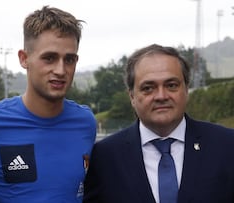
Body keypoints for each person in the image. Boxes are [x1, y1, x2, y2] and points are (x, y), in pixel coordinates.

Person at [0, 5, 96, 203]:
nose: (60, 69)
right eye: (49, 58)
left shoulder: (85, 123)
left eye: (69, 59)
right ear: (24, 58)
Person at [84, 44, 234, 203]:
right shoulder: (104, 158)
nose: (161, 96)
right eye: (148, 88)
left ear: (186, 90)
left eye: (171, 85)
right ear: (132, 96)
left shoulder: (227, 146)